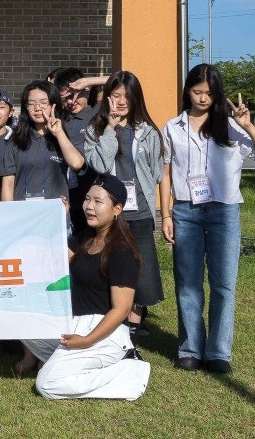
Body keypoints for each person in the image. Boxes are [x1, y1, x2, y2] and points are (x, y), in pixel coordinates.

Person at [161, 64, 255, 374]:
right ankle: (190, 349)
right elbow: (166, 172)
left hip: (224, 212)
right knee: (188, 283)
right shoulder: (173, 127)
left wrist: (249, 126)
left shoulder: (231, 127)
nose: (202, 98)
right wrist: (166, 214)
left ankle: (218, 352)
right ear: (187, 91)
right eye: (197, 91)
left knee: (224, 284)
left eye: (209, 93)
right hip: (185, 211)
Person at [18, 175, 151, 400]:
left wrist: (88, 339)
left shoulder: (122, 251)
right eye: (87, 199)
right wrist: (58, 219)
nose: (89, 206)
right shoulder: (85, 238)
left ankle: (129, 370)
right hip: (74, 322)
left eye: (98, 201)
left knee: (47, 384)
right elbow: (53, 262)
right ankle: (63, 363)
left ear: (117, 209)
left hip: (104, 332)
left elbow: (121, 309)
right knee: (21, 322)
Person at [81, 71, 165, 336]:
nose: (121, 101)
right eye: (116, 95)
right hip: (110, 213)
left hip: (139, 211)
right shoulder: (94, 130)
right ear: (107, 97)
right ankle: (112, 320)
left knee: (142, 269)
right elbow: (101, 165)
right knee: (113, 266)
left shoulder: (148, 132)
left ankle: (134, 326)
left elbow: (156, 172)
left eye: (126, 96)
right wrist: (110, 129)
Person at [0, 82, 85, 204]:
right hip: (24, 211)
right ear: (25, 107)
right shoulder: (15, 140)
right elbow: (8, 184)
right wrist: (9, 213)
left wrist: (59, 133)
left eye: (44, 102)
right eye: (31, 103)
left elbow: (76, 164)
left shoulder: (67, 136)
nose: (37, 108)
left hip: (54, 211)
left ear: (54, 105)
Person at [53, 67, 100, 236]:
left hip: (92, 196)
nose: (71, 101)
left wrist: (89, 81)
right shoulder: (59, 119)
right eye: (65, 98)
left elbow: (125, 80)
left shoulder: (97, 113)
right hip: (65, 198)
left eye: (74, 95)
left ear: (85, 90)